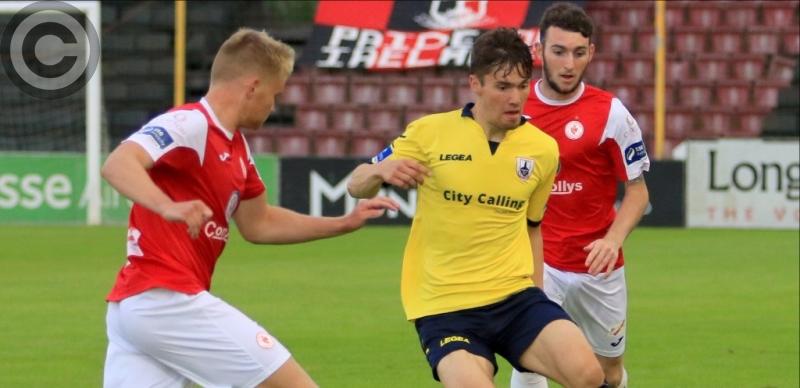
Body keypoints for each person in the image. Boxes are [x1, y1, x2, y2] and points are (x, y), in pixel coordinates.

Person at [101, 28, 398, 388]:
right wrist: (167, 207)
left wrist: (342, 223)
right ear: (253, 87)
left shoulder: (238, 150)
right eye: (274, 95)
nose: (274, 107)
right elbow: (118, 163)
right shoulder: (192, 123)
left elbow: (260, 224)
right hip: (166, 299)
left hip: (138, 309)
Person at [347, 27, 605, 388]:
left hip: (515, 298)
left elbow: (533, 227)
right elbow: (355, 184)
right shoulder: (429, 133)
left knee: (590, 375)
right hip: (444, 305)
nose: (515, 97)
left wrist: (538, 292)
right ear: (475, 84)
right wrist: (379, 169)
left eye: (522, 85)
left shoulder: (543, 150)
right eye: (503, 87)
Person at [509, 3, 651, 388]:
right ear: (539, 51)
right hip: (538, 261)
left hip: (598, 267)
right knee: (528, 361)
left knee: (607, 372)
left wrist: (613, 239)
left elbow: (637, 192)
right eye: (558, 51)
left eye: (578, 52)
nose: (568, 63)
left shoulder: (611, 113)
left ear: (591, 53)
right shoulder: (514, 109)